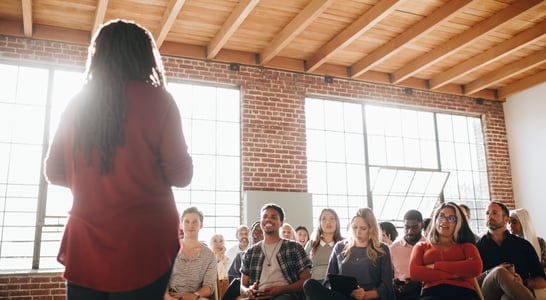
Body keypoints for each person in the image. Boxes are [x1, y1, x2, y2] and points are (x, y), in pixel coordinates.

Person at [43, 19, 193, 299]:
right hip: (146, 242)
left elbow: (53, 170)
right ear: (144, 55)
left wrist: (91, 183)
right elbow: (181, 176)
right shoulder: (160, 101)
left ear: (98, 54)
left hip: (86, 240)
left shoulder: (77, 102)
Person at [304, 207, 395, 300]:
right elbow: (328, 280)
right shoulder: (340, 247)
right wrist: (332, 288)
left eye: (363, 228)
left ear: (371, 229)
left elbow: (386, 286)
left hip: (368, 297)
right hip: (342, 296)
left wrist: (365, 295)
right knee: (309, 285)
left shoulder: (382, 249)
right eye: (354, 227)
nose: (358, 232)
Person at [409, 202, 483, 300]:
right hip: (432, 294)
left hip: (464, 293)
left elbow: (476, 268)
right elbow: (415, 273)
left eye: (451, 218)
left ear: (458, 223)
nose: (444, 221)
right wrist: (456, 273)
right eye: (441, 216)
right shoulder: (421, 246)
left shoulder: (467, 246)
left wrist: (436, 265)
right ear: (435, 219)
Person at [240, 203, 312, 300]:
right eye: (264, 216)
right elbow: (242, 286)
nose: (268, 219)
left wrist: (281, 290)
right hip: (258, 296)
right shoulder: (251, 252)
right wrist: (248, 291)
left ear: (281, 222)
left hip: (286, 295)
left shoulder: (294, 248)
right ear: (261, 222)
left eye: (273, 217)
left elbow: (306, 281)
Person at [476, 201, 545, 300]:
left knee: (507, 298)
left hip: (516, 294)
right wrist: (491, 272)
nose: (489, 216)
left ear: (506, 219)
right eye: (487, 213)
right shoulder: (478, 247)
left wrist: (524, 282)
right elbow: (472, 281)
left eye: (494, 213)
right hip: (489, 294)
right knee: (500, 271)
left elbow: (542, 280)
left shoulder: (523, 245)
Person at [166, 207, 216, 300]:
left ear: (201, 225)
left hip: (195, 297)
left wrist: (195, 295)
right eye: (187, 222)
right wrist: (168, 297)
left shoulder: (209, 255)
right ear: (181, 225)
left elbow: (209, 286)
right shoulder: (170, 249)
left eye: (195, 222)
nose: (190, 225)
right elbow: (162, 278)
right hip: (170, 296)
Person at [389, 210, 425, 300]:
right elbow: (388, 274)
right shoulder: (393, 248)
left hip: (424, 293)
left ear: (422, 225)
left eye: (415, 227)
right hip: (400, 294)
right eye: (407, 227)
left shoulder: (431, 247)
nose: (410, 231)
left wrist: (419, 283)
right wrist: (393, 283)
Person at [223, 221, 264, 300]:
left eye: (260, 231)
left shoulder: (269, 256)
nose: (255, 234)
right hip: (243, 290)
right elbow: (232, 276)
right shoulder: (240, 256)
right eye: (254, 231)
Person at [304, 208, 343, 284]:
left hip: (336, 283)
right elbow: (304, 267)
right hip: (315, 283)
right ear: (320, 223)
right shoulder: (311, 243)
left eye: (332, 218)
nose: (328, 222)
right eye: (324, 219)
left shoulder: (343, 244)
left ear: (337, 222)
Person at [211, 233, 231, 299]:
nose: (218, 244)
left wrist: (218, 257)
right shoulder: (206, 258)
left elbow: (221, 276)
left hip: (222, 287)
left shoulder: (227, 260)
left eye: (221, 241)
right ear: (211, 243)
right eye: (215, 241)